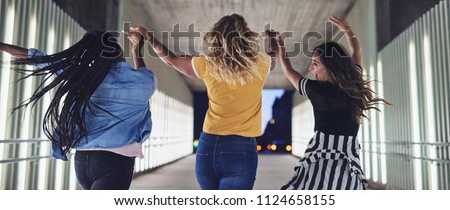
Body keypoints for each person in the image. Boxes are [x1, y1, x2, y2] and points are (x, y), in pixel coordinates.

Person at [125, 13, 276, 190]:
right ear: (247, 36)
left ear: (216, 38)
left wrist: (150, 39)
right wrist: (273, 39)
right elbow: (274, 57)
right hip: (240, 148)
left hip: (208, 146)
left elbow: (172, 61)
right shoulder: (260, 64)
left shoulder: (207, 64)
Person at [0, 30, 157, 190]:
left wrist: (2, 46)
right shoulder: (145, 82)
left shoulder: (84, 77)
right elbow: (143, 72)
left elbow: (40, 59)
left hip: (82, 161)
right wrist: (136, 50)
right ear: (117, 51)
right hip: (115, 163)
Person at [275, 15, 391, 190]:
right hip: (347, 166)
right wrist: (348, 30)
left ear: (329, 67)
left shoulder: (316, 90)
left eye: (315, 63)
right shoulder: (354, 84)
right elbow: (357, 53)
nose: (310, 68)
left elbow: (289, 72)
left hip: (318, 162)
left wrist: (281, 51)